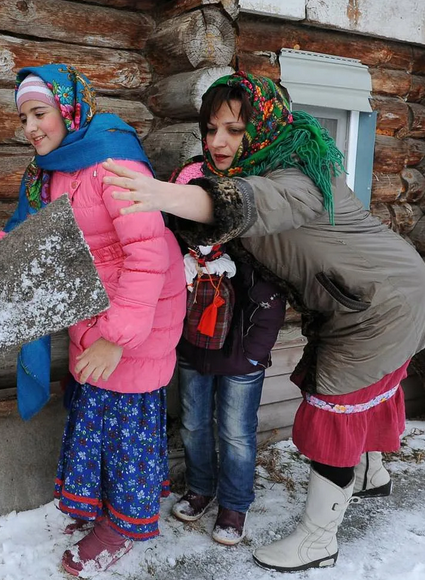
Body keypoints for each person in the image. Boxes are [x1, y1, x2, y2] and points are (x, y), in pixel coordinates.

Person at [101, 71, 425, 572]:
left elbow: (248, 202)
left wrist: (159, 196)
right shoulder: (260, 163)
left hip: (381, 302)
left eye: (233, 129)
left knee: (334, 406)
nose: (218, 141)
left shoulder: (297, 175)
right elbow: (215, 205)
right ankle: (370, 474)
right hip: (368, 294)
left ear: (265, 123)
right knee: (357, 393)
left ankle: (319, 540)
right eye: (211, 129)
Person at [0, 64, 186, 576]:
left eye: (39, 113)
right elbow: (26, 246)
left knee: (125, 427)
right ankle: (104, 509)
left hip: (136, 322)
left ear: (68, 108)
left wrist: (117, 340)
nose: (31, 127)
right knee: (95, 418)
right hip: (94, 316)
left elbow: (148, 255)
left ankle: (125, 524)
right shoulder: (54, 174)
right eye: (23, 118)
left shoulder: (115, 164)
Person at [168, 160, 287, 546]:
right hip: (193, 350)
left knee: (235, 432)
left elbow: (270, 299)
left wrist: (255, 352)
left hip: (240, 354)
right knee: (194, 424)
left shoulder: (248, 242)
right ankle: (201, 488)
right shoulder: (179, 244)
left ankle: (235, 503)